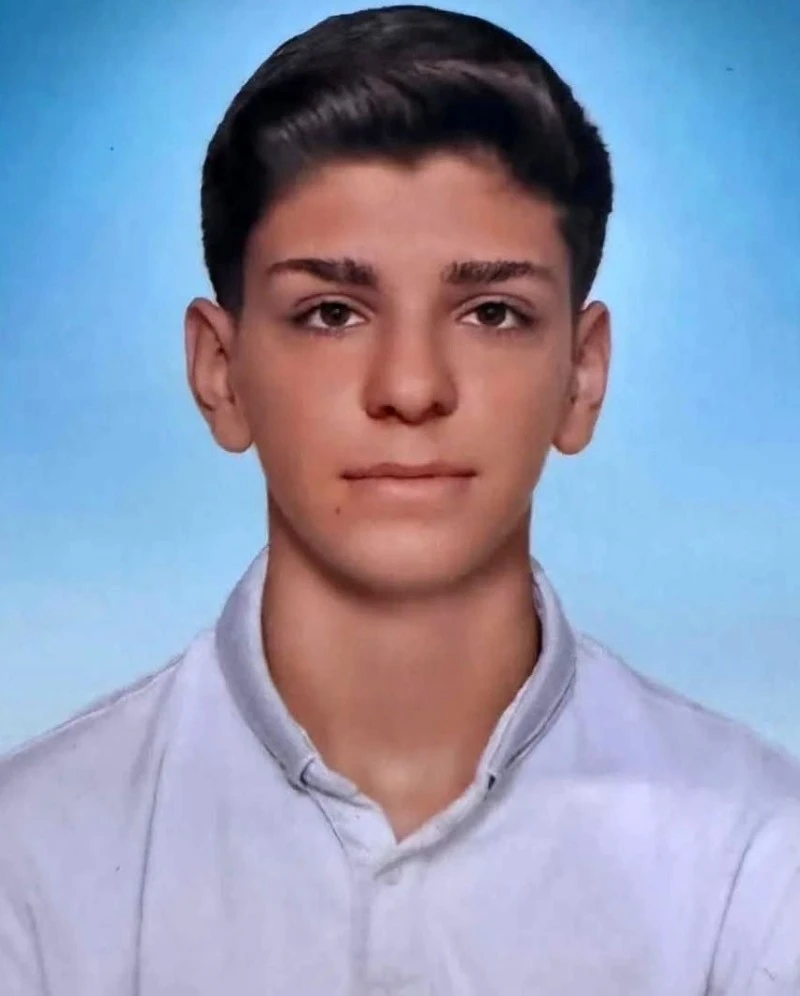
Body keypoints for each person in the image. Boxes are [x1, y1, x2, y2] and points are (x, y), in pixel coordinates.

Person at [1, 5, 798, 993]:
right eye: (331, 313)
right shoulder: (25, 865)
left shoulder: (759, 859)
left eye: (491, 313)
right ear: (220, 372)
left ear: (582, 375)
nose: (411, 388)